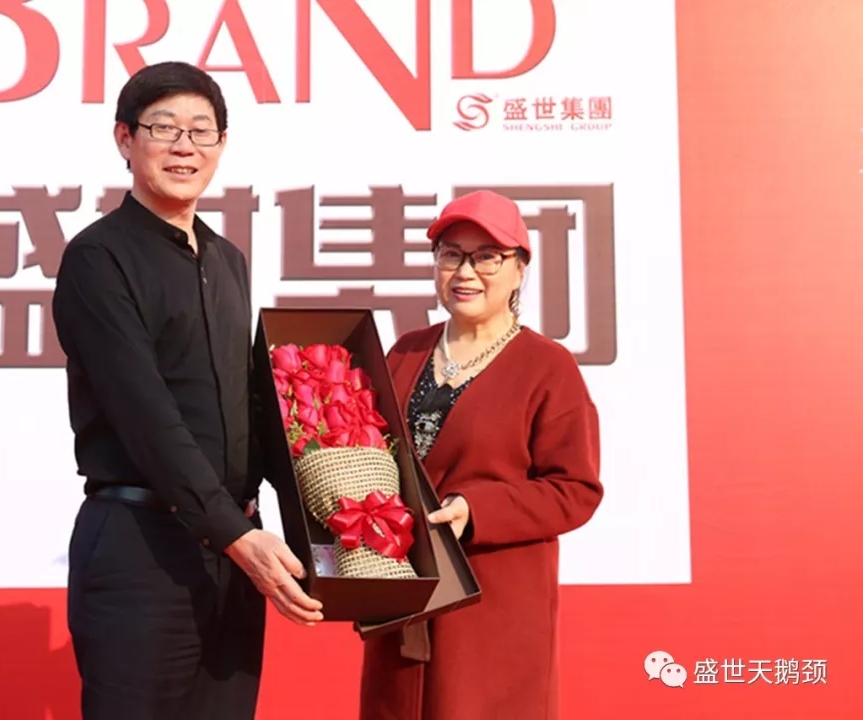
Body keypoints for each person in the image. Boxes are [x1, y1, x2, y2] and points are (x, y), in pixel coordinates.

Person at [51, 61, 324, 720]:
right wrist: (236, 534)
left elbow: (250, 409)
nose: (184, 147)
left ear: (222, 145)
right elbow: (146, 416)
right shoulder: (98, 259)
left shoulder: (227, 260)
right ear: (125, 138)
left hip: (234, 555)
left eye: (202, 131)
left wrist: (332, 511)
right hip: (142, 551)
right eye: (164, 128)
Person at [358, 190, 604, 720]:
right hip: (403, 600)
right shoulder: (406, 350)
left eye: (487, 256)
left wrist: (476, 510)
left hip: (493, 607)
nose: (466, 271)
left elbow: (575, 490)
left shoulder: (547, 366)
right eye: (451, 254)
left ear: (519, 270)